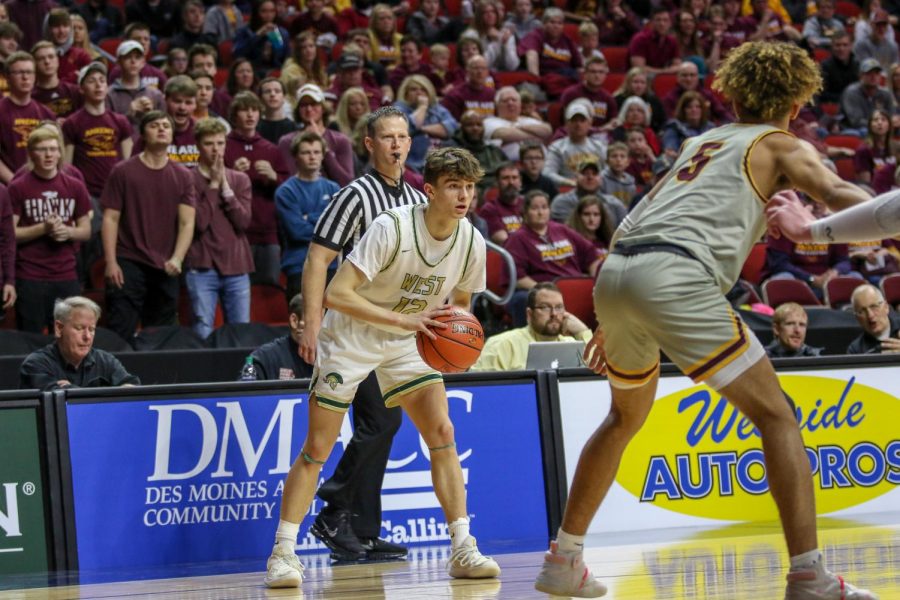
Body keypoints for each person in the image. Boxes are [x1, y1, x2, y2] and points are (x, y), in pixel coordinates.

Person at [533, 41, 877, 599]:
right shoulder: (780, 142)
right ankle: (809, 575)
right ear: (796, 100)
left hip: (618, 271)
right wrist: (887, 220)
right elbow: (839, 194)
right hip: (677, 275)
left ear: (735, 92)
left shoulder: (702, 141)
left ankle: (564, 559)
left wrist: (606, 317)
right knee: (778, 417)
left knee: (623, 418)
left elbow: (633, 223)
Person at [263, 146, 499, 588]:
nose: (464, 195)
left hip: (411, 340)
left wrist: (453, 346)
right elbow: (337, 292)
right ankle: (283, 552)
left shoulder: (472, 240)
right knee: (318, 445)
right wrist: (404, 319)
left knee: (443, 433)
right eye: (453, 186)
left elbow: (461, 308)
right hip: (352, 336)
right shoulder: (392, 227)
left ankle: (463, 547)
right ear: (429, 190)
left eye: (469, 187)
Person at [294, 107, 427, 563]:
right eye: (387, 137)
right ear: (369, 145)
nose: (396, 144)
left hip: (391, 332)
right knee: (381, 422)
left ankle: (362, 530)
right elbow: (317, 259)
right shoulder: (355, 195)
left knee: (384, 424)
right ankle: (334, 509)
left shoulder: (415, 199)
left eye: (403, 137)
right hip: (351, 331)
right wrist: (312, 324)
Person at [101, 111, 197, 340]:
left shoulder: (183, 175)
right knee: (121, 330)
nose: (162, 128)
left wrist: (178, 258)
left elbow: (187, 222)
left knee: (161, 337)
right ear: (143, 134)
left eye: (166, 125)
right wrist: (111, 261)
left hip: (166, 265)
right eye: (155, 125)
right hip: (128, 262)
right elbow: (110, 218)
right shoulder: (123, 171)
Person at [10, 126, 92, 333]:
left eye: (53, 149)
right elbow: (9, 234)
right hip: (30, 274)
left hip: (65, 273)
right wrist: (43, 228)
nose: (49, 155)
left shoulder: (75, 185)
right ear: (30, 153)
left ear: (60, 153)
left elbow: (86, 230)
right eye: (42, 149)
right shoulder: (18, 187)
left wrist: (68, 232)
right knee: (31, 337)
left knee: (67, 336)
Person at [185, 118, 254, 339]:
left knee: (241, 331)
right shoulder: (188, 179)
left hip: (237, 265)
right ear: (197, 145)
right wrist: (214, 186)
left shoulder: (240, 179)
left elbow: (243, 222)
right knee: (203, 329)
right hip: (202, 266)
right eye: (209, 143)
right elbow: (199, 223)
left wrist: (225, 188)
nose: (216, 149)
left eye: (220, 143)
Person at [226, 91, 290, 286]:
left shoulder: (271, 149)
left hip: (267, 230)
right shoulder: (224, 146)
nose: (250, 115)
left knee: (270, 285)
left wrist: (274, 177)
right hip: (234, 229)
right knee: (237, 284)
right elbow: (214, 184)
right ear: (235, 115)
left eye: (254, 110)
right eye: (244, 110)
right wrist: (232, 174)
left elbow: (288, 189)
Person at [19, 296, 140, 390]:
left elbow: (132, 389)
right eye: (79, 328)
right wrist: (109, 394)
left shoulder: (104, 360)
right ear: (59, 328)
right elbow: (59, 405)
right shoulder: (36, 364)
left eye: (91, 329)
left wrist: (70, 390)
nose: (87, 336)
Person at [275, 131, 340, 302]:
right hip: (299, 266)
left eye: (316, 152)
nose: (312, 157)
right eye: (306, 152)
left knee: (331, 326)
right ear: (296, 156)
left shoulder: (334, 188)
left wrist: (309, 217)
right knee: (303, 324)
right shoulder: (286, 191)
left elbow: (340, 229)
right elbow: (297, 232)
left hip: (331, 266)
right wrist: (324, 220)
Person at [471, 282, 592, 371]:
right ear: (529, 314)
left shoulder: (571, 345)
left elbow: (601, 371)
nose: (554, 314)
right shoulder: (503, 344)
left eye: (559, 307)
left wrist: (583, 331)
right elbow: (481, 388)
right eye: (545, 307)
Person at [0, 52, 55, 184]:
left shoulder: (46, 114)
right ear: (7, 77)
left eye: (29, 72)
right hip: (6, 187)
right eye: (19, 72)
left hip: (41, 186)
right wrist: (16, 183)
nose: (25, 77)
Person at [393, 74, 458, 173]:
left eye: (423, 89)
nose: (419, 93)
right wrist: (422, 107)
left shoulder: (437, 109)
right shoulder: (398, 109)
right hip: (410, 165)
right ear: (405, 94)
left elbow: (451, 128)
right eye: (414, 89)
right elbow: (407, 128)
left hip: (440, 163)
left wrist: (422, 129)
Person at [242, 293, 314, 380]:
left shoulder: (330, 356)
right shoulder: (264, 358)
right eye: (314, 321)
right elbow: (245, 391)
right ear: (294, 321)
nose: (322, 327)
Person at [543, 100, 609, 188]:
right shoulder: (557, 147)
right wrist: (568, 182)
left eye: (582, 120)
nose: (578, 124)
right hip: (568, 191)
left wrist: (593, 181)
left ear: (589, 124)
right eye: (574, 120)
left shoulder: (599, 146)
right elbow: (547, 173)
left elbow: (608, 171)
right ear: (566, 124)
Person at [483, 86, 553, 162]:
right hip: (507, 166)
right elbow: (505, 134)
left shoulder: (529, 120)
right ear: (497, 105)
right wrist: (538, 136)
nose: (510, 103)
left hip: (541, 164)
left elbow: (548, 130)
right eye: (505, 100)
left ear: (520, 104)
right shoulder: (489, 121)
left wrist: (519, 127)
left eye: (514, 100)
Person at [447, 111, 507, 196]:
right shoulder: (452, 150)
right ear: (462, 127)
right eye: (470, 125)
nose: (475, 128)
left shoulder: (494, 150)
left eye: (479, 125)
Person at [106, 40, 165, 127]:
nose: (133, 61)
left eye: (137, 57)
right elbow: (106, 128)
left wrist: (152, 116)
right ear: (118, 62)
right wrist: (128, 115)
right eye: (128, 57)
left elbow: (165, 128)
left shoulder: (155, 94)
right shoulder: (108, 95)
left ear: (143, 62)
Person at [558, 57, 619, 130]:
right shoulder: (571, 94)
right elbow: (566, 123)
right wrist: (598, 130)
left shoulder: (608, 98)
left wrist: (614, 123)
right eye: (593, 72)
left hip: (601, 136)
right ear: (585, 74)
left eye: (601, 72)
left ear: (605, 75)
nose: (597, 76)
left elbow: (613, 121)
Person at [840, 58, 894, 136]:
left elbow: (890, 116)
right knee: (864, 131)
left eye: (876, 73)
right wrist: (879, 125)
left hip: (881, 128)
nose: (873, 76)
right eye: (869, 73)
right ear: (861, 75)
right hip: (855, 129)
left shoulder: (885, 94)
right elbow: (856, 121)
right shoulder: (851, 93)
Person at [31, 41, 81, 119]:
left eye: (51, 57)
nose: (47, 62)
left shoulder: (74, 91)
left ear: (57, 61)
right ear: (34, 64)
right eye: (41, 59)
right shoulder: (30, 97)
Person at [846, 284, 900, 354]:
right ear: (857, 318)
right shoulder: (856, 349)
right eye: (862, 311)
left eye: (874, 307)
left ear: (886, 307)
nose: (870, 315)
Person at [628, 7, 682, 75]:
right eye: (658, 20)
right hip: (639, 80)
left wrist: (660, 72)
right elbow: (639, 69)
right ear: (652, 22)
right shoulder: (640, 39)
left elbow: (678, 67)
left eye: (665, 20)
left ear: (670, 23)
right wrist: (666, 71)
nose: (662, 24)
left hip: (661, 78)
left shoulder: (672, 41)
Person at [479, 162, 524, 243]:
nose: (511, 182)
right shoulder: (489, 209)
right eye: (506, 178)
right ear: (497, 182)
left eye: (514, 178)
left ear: (520, 181)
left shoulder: (528, 204)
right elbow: (503, 241)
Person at [852, 9, 898, 73]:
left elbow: (895, 70)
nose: (881, 28)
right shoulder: (861, 45)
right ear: (871, 25)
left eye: (884, 25)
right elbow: (867, 70)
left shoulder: (893, 46)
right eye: (878, 25)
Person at [819, 30, 858, 104]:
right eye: (838, 45)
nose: (841, 49)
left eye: (845, 45)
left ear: (851, 46)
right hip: (833, 106)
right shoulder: (825, 67)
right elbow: (822, 94)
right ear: (832, 47)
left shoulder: (857, 65)